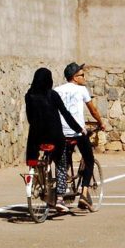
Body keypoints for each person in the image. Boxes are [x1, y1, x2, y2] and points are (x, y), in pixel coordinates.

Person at [24, 67, 86, 213]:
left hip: (36, 137)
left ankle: (37, 178)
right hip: (54, 136)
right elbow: (66, 114)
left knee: (35, 159)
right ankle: (59, 198)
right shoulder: (52, 95)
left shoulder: (29, 95)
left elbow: (29, 116)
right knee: (61, 162)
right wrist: (79, 129)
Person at [55, 62, 111, 211]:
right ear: (74, 77)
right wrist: (101, 122)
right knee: (89, 159)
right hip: (77, 132)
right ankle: (84, 193)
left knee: (63, 161)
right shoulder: (81, 90)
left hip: (61, 132)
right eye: (82, 75)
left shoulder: (57, 90)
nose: (84, 77)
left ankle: (62, 188)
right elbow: (93, 110)